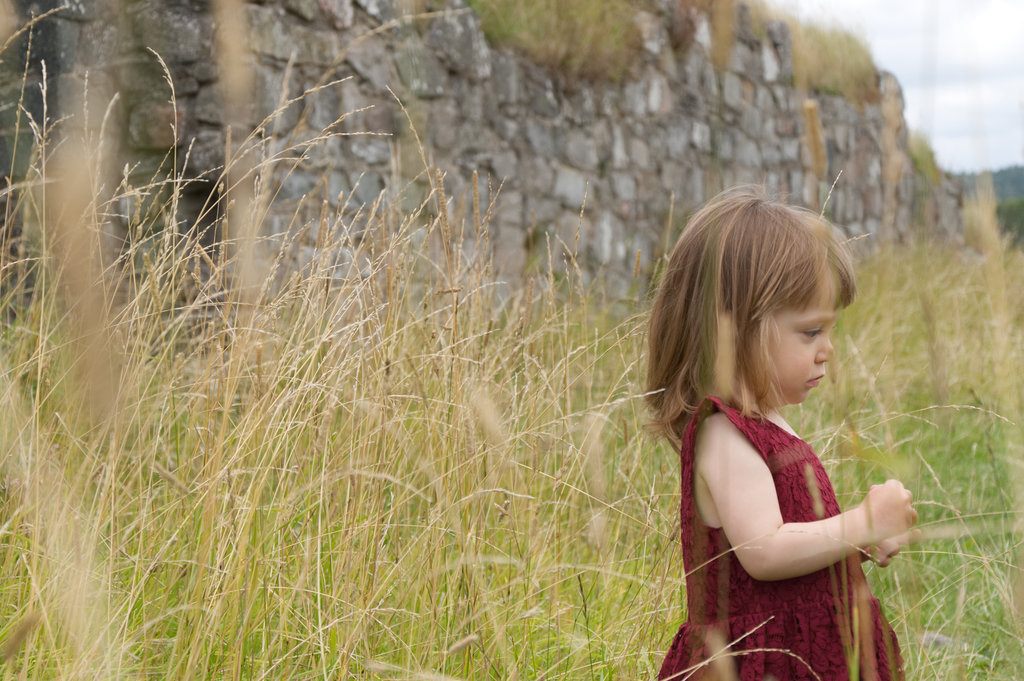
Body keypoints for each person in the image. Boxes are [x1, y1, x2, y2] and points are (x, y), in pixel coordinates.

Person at [645, 186, 918, 680]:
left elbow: (790, 541)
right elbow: (765, 551)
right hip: (760, 662)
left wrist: (853, 543)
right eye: (811, 332)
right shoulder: (723, 435)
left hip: (807, 649)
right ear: (735, 329)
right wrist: (860, 522)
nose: (827, 350)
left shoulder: (766, 423)